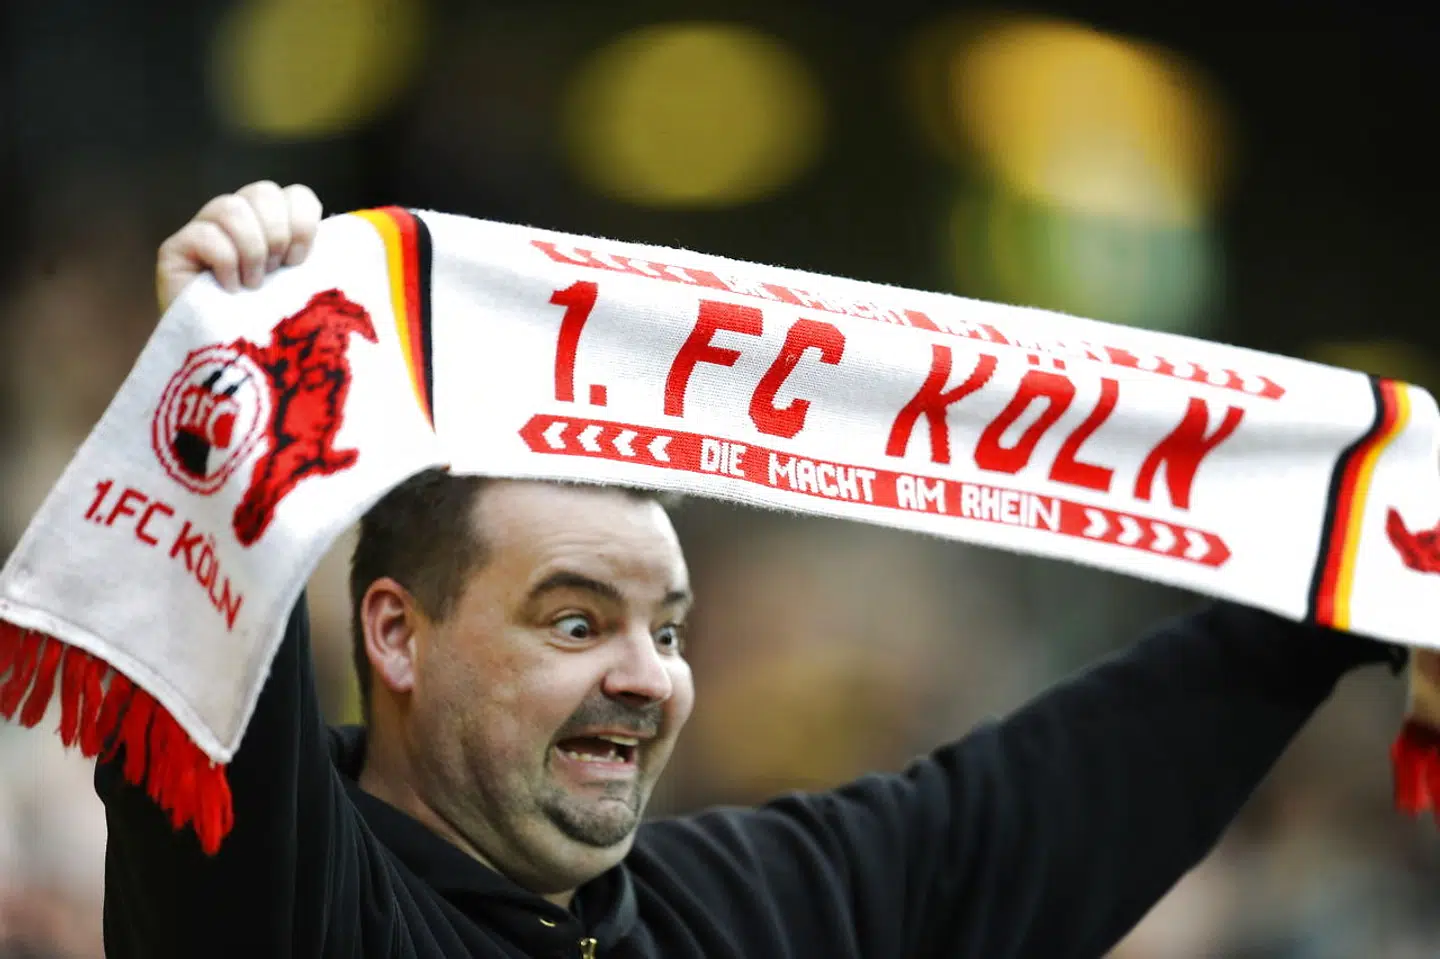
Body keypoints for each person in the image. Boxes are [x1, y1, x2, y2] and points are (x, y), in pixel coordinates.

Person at [97, 181, 1407, 959]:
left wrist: (1346, 566)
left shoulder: (735, 909)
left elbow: (1038, 808)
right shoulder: (282, 904)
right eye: (574, 619)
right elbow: (207, 723)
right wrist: (220, 379)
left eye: (668, 627)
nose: (647, 676)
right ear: (395, 634)